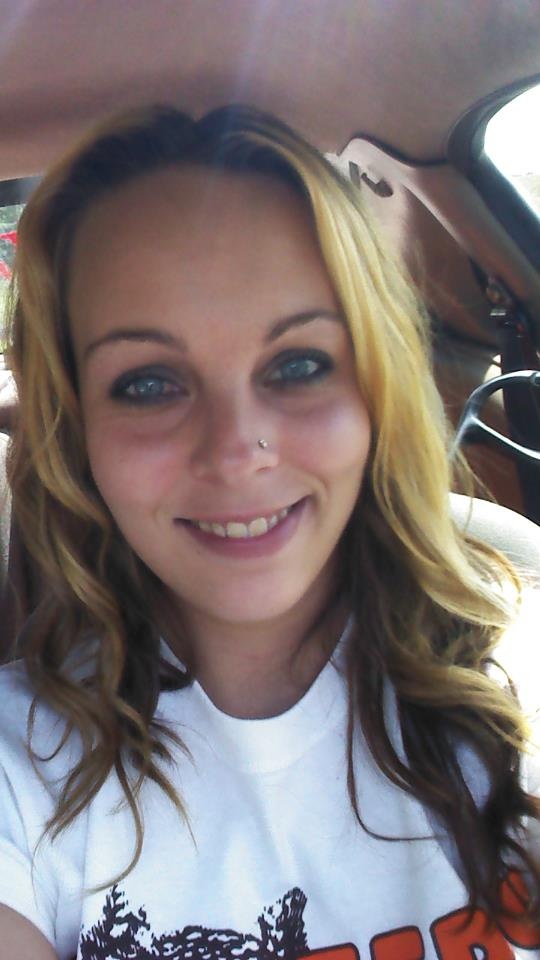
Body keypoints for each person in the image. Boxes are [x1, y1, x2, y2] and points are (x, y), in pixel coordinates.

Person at [0, 103, 539, 960]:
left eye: (298, 364)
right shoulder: (19, 766)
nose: (235, 450)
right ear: (76, 431)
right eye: (147, 384)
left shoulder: (517, 677)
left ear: (377, 388)